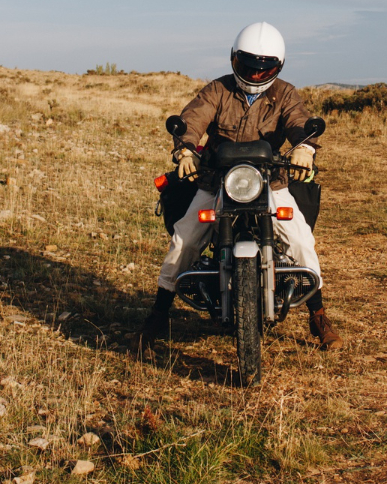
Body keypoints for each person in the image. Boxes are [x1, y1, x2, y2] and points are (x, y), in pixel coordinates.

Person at [138, 21, 342, 351]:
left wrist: (305, 146)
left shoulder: (285, 93)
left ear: (278, 67)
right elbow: (193, 118)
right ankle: (159, 314)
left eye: (265, 70)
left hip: (269, 181)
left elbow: (299, 120)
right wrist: (186, 148)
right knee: (184, 240)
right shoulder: (217, 90)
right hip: (217, 181)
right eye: (249, 67)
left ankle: (318, 315)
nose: (256, 75)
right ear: (234, 60)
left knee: (302, 241)